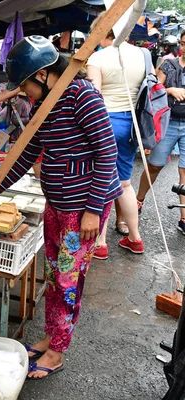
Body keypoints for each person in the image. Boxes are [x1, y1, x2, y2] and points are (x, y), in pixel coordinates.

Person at [0, 36, 122, 379]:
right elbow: (27, 151)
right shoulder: (47, 103)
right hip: (57, 203)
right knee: (55, 277)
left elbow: (106, 153)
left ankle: (57, 352)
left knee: (68, 281)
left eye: (25, 84)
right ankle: (53, 336)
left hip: (81, 209)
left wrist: (92, 211)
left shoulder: (82, 96)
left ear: (42, 75)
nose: (23, 91)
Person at [86, 12, 147, 259]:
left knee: (100, 181)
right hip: (132, 125)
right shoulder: (143, 55)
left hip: (105, 122)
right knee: (124, 183)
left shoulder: (97, 57)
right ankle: (135, 238)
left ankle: (100, 242)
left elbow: (93, 97)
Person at [136, 31, 185, 234]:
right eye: (183, 43)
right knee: (154, 166)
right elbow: (152, 87)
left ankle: (184, 217)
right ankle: (138, 200)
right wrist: (170, 90)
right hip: (169, 122)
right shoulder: (168, 65)